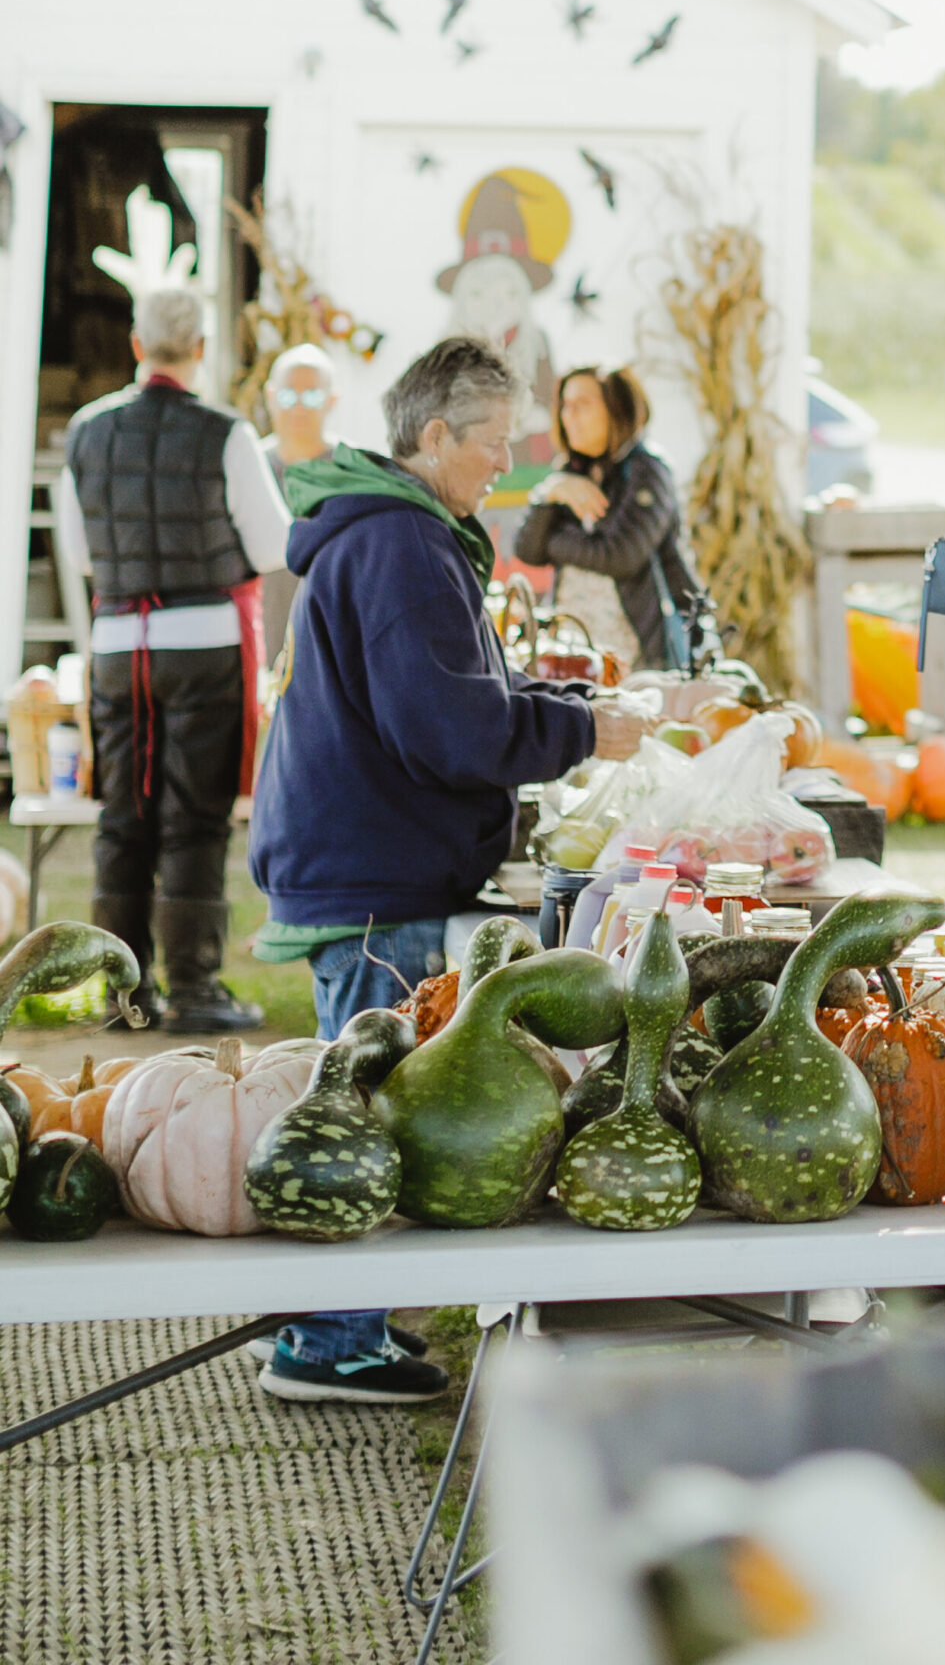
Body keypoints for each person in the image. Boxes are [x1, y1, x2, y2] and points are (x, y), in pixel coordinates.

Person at [247, 335, 648, 1403]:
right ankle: (329, 1343)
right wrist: (582, 736)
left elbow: (456, 699)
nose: (504, 464)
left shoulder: (394, 535)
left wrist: (570, 715)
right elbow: (448, 728)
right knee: (369, 1098)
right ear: (434, 436)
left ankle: (328, 1318)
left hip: (357, 850)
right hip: (373, 864)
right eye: (493, 442)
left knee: (348, 1083)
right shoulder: (404, 547)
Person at [57, 288, 292, 1032]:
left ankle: (120, 996)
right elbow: (271, 548)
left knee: (123, 816)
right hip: (203, 643)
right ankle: (192, 988)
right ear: (200, 350)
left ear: (136, 346)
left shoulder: (87, 432)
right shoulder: (225, 431)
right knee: (195, 817)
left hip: (117, 642)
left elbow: (77, 549)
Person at [513, 364, 708, 674]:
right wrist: (548, 494)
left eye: (583, 404)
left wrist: (553, 543)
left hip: (636, 655)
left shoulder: (648, 470)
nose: (569, 415)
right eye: (565, 405)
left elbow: (619, 556)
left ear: (617, 409)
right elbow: (527, 550)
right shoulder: (569, 471)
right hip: (573, 649)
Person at [257, 343, 337, 667]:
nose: (299, 408)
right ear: (270, 395)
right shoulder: (249, 467)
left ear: (333, 401)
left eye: (312, 397)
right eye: (288, 396)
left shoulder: (352, 473)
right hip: (261, 648)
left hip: (329, 654)